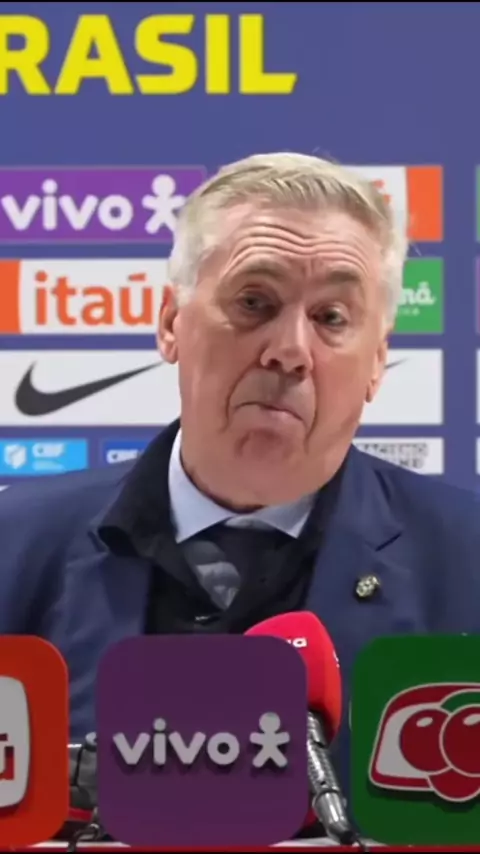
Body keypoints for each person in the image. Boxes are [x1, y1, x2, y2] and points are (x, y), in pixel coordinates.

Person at [1, 151, 480, 823]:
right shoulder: (16, 547)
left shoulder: (466, 559)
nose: (290, 349)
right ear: (171, 323)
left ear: (377, 361)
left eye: (331, 318)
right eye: (255, 303)